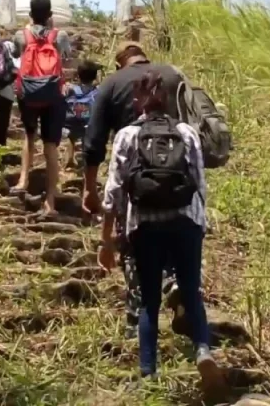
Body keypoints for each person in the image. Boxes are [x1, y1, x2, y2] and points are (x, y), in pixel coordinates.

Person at [98, 70, 222, 390]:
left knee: (149, 300)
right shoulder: (186, 132)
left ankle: (149, 372)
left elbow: (113, 192)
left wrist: (107, 240)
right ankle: (203, 350)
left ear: (139, 100)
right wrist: (200, 223)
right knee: (191, 291)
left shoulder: (127, 135)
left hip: (145, 224)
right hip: (186, 221)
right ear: (167, 99)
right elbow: (200, 183)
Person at [81, 41, 183, 334]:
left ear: (119, 64)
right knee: (173, 238)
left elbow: (94, 142)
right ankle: (174, 284)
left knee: (133, 247)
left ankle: (135, 322)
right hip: (178, 179)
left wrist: (89, 187)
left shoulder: (113, 83)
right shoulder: (172, 75)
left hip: (135, 182)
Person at [11, 0, 71, 212]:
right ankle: (50, 200)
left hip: (28, 91)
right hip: (53, 93)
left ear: (30, 14)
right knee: (50, 145)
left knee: (28, 135)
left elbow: (17, 53)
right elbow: (67, 57)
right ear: (50, 15)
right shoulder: (60, 35)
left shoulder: (21, 34)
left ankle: (23, 180)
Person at [63, 59, 100, 169]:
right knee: (86, 139)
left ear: (78, 75)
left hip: (71, 121)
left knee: (71, 136)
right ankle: (85, 161)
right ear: (94, 77)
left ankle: (69, 157)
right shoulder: (96, 91)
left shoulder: (72, 89)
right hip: (88, 122)